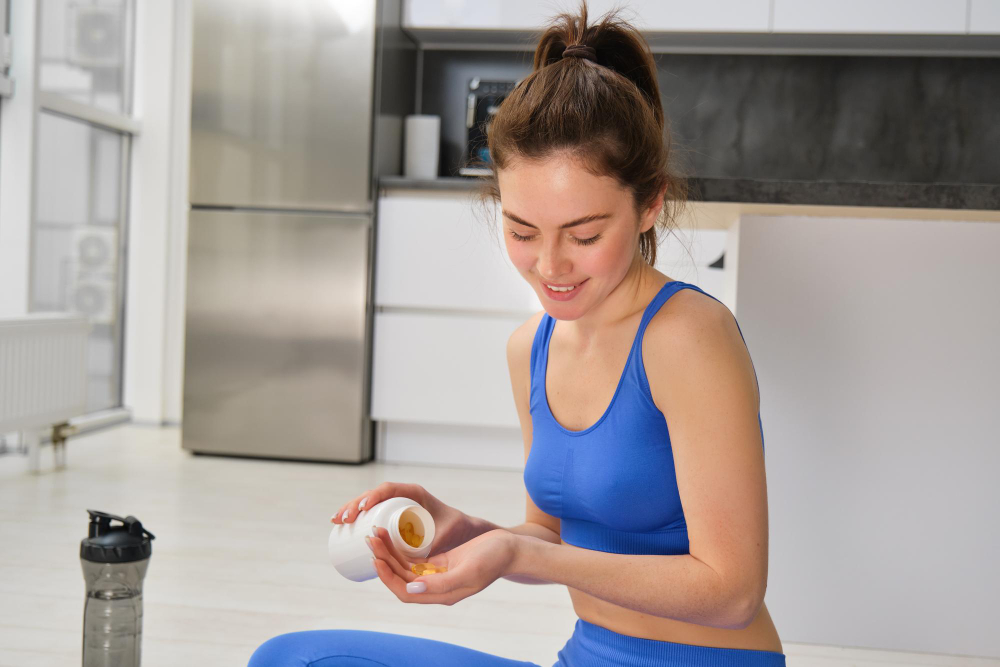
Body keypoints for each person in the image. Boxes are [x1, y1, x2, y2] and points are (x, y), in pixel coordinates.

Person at [248, 2, 786, 665]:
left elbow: (732, 590)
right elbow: (546, 534)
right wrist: (464, 531)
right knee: (292, 657)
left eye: (584, 235)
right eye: (523, 230)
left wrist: (523, 551)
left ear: (649, 204)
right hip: (584, 654)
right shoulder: (530, 348)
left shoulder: (688, 336)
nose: (550, 265)